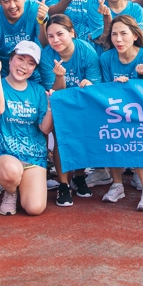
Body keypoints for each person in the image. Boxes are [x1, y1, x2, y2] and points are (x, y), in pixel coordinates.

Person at [37, 13, 102, 205]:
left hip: (83, 101)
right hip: (60, 102)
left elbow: (94, 85)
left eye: (60, 34)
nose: (55, 40)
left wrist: (88, 84)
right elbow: (54, 93)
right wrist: (60, 77)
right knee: (61, 139)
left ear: (72, 33)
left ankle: (79, 176)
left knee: (84, 137)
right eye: (50, 36)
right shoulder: (47, 55)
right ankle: (63, 184)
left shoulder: (87, 51)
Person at [0, 42, 56, 216]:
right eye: (20, 59)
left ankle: (20, 184)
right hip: (3, 154)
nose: (24, 66)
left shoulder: (38, 90)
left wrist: (50, 107)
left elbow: (45, 129)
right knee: (11, 171)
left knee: (34, 208)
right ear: (10, 60)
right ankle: (10, 191)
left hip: (33, 155)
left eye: (31, 63)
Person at [98, 16, 143, 208]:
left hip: (141, 112)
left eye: (123, 34)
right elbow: (104, 89)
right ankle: (117, 185)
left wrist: (141, 77)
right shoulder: (106, 58)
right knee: (111, 134)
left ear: (135, 35)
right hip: (115, 109)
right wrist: (115, 86)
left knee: (136, 138)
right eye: (114, 34)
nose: (118, 39)